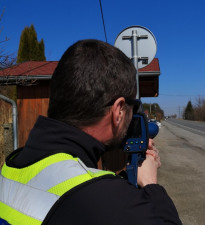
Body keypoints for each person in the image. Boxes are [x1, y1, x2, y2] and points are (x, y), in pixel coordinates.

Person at [0, 39, 182, 225]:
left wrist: (128, 177)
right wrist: (151, 185)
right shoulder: (109, 200)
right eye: (132, 108)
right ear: (118, 110)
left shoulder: (12, 167)